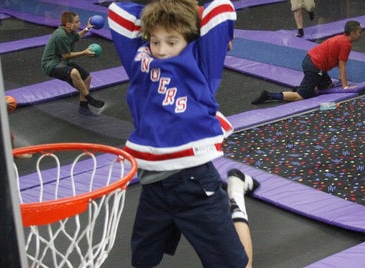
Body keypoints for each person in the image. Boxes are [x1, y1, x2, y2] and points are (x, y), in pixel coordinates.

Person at [108, 0, 259, 267]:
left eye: (172, 42)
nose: (162, 50)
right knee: (142, 261)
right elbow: (117, 10)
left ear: (189, 40)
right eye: (155, 41)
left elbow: (221, 7)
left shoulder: (200, 64)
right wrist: (160, 12)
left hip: (195, 185)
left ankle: (235, 194)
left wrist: (218, 30)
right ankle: (234, 188)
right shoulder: (140, 61)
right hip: (154, 186)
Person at [251, 20, 362, 104]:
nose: (360, 34)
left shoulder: (341, 38)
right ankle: (269, 95)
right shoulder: (346, 44)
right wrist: (345, 86)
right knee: (301, 96)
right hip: (315, 66)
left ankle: (303, 87)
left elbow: (337, 61)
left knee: (328, 85)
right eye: (359, 32)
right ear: (352, 33)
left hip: (312, 60)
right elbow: (342, 66)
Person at [40, 11, 105, 116]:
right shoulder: (61, 35)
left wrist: (88, 28)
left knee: (87, 78)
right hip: (50, 65)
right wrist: (84, 52)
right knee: (74, 72)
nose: (79, 23)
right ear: (69, 24)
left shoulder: (69, 32)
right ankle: (90, 99)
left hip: (63, 62)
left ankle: (83, 108)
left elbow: (77, 37)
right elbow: (66, 55)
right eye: (77, 22)